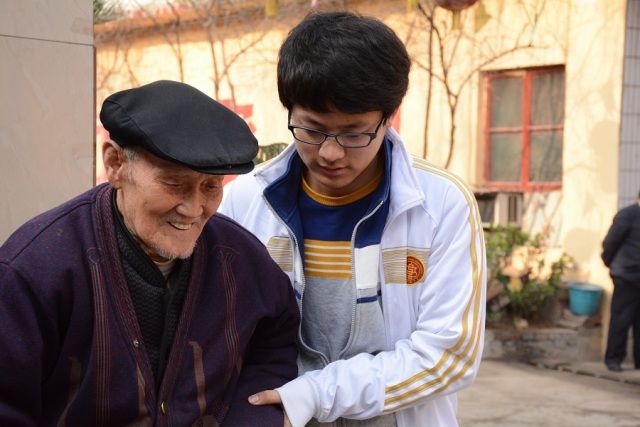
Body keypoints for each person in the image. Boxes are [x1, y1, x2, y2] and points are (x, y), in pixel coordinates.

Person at [219, 12, 486, 427]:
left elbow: (448, 355)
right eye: (312, 130)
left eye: (354, 133)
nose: (331, 153)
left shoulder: (441, 205)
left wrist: (313, 395)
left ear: (389, 116)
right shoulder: (245, 201)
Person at [0, 80, 299, 425]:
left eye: (210, 187)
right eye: (174, 183)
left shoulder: (242, 262)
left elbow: (273, 348)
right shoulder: (35, 269)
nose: (193, 209)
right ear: (115, 163)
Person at [601, 190, 640, 372]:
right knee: (621, 319)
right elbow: (611, 242)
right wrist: (609, 262)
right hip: (626, 276)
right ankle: (614, 359)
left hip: (629, 274)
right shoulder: (627, 215)